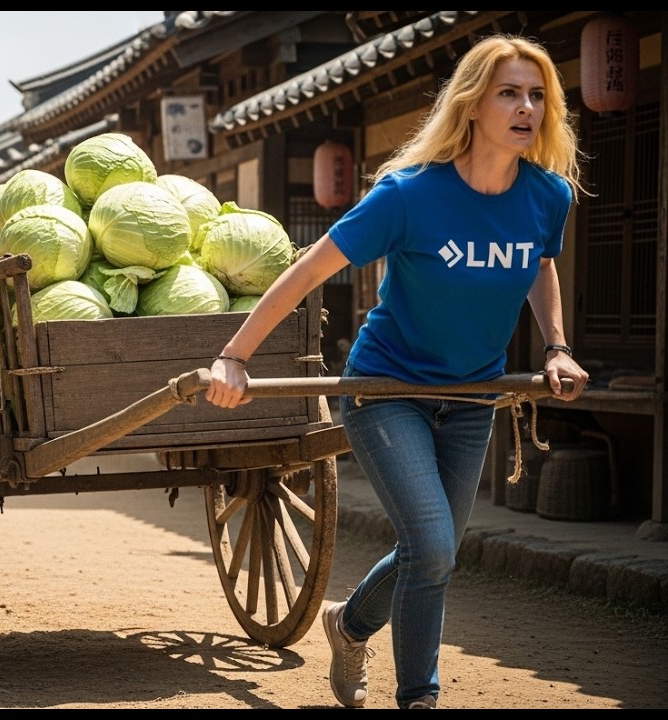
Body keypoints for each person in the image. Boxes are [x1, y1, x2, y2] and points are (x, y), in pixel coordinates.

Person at [204, 34, 590, 709]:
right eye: (509, 92)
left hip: (472, 397)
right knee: (434, 547)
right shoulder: (408, 197)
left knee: (432, 553)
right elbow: (307, 271)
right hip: (386, 391)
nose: (526, 106)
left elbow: (540, 266)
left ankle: (348, 625)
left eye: (537, 95)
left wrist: (556, 344)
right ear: (473, 104)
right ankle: (421, 698)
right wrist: (234, 356)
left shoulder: (547, 197)